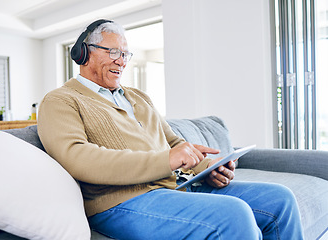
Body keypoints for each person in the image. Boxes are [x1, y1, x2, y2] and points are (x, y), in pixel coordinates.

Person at [37, 19, 304, 240]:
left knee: (280, 199)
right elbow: (78, 159)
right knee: (233, 215)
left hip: (175, 187)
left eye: (125, 54)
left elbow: (174, 143)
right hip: (120, 203)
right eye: (113, 52)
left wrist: (207, 169)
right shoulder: (61, 100)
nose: (121, 61)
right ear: (84, 52)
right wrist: (167, 160)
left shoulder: (138, 97)